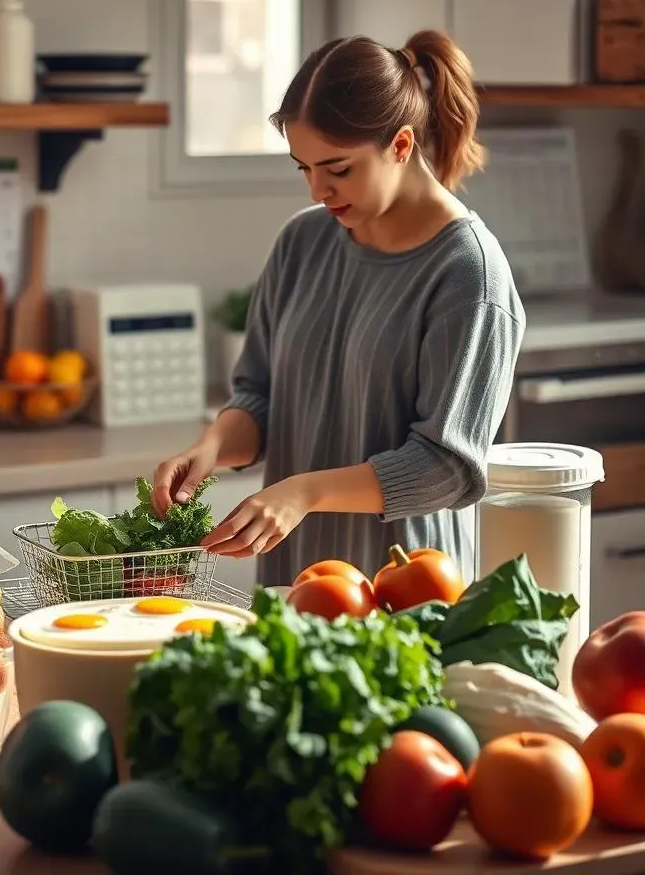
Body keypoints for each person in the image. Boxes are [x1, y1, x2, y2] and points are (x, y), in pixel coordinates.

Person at [151, 30, 525, 585]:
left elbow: (447, 468)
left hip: (406, 590)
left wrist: (306, 491)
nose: (317, 190)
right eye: (304, 168)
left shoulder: (469, 274)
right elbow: (259, 398)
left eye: (338, 168)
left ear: (400, 145)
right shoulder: (303, 242)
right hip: (294, 585)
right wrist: (211, 448)